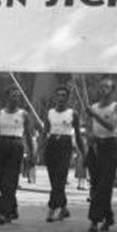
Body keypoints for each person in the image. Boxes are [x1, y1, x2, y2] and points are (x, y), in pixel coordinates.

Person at [0, 86, 34, 225]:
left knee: (11, 180)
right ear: (7, 97)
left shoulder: (24, 114)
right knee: (3, 181)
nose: (16, 98)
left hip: (16, 146)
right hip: (2, 145)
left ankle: (4, 212)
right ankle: (12, 209)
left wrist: (32, 153)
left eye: (18, 96)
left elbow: (28, 134)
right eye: (13, 95)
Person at [84, 76, 117, 232]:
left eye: (107, 87)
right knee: (96, 184)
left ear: (112, 90)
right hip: (95, 148)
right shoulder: (93, 107)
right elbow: (87, 127)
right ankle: (108, 216)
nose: (103, 90)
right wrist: (89, 136)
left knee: (104, 185)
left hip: (110, 147)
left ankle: (94, 219)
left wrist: (95, 116)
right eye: (101, 87)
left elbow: (111, 126)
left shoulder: (116, 107)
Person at [43, 85, 83, 222]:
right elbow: (44, 132)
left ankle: (52, 208)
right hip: (52, 144)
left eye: (63, 95)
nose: (61, 98)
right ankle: (64, 207)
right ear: (55, 97)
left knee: (60, 177)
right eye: (58, 95)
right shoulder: (49, 113)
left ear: (67, 98)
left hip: (65, 145)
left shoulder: (73, 114)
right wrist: (39, 150)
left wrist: (83, 152)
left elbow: (78, 135)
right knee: (54, 179)